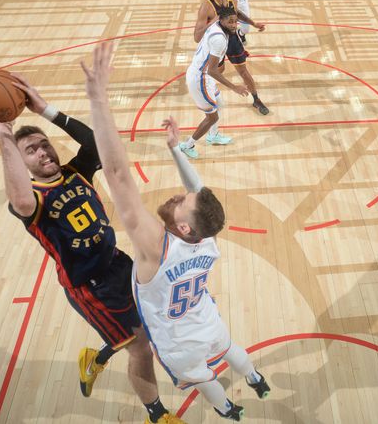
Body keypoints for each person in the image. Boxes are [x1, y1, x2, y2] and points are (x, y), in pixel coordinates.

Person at [0, 77, 184, 424]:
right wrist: (4, 136)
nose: (43, 152)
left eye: (44, 145)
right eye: (32, 151)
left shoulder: (75, 172)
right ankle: (156, 415)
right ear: (22, 163)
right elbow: (20, 198)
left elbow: (97, 145)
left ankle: (95, 359)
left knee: (148, 326)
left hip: (119, 263)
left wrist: (46, 110)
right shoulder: (32, 200)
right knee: (140, 346)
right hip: (91, 287)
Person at [80, 41, 271, 422]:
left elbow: (117, 175)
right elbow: (198, 191)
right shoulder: (207, 238)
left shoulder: (155, 247)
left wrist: (98, 98)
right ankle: (256, 378)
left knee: (205, 379)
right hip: (206, 318)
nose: (178, 194)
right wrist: (174, 149)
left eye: (181, 201)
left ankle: (228, 409)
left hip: (179, 342)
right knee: (230, 347)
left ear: (182, 226)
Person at [195, 0, 270, 116]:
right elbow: (197, 37)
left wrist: (253, 23)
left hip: (232, 39)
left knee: (244, 72)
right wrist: (215, 21)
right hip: (216, 43)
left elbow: (237, 13)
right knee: (216, 72)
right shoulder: (206, 6)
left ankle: (256, 99)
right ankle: (207, 95)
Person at [183, 6, 251, 159]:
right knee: (212, 117)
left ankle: (213, 136)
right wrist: (235, 88)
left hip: (204, 75)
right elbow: (213, 70)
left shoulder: (217, 25)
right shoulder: (219, 39)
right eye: (230, 22)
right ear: (222, 21)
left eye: (235, 22)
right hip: (200, 78)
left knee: (219, 103)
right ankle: (188, 145)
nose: (234, 25)